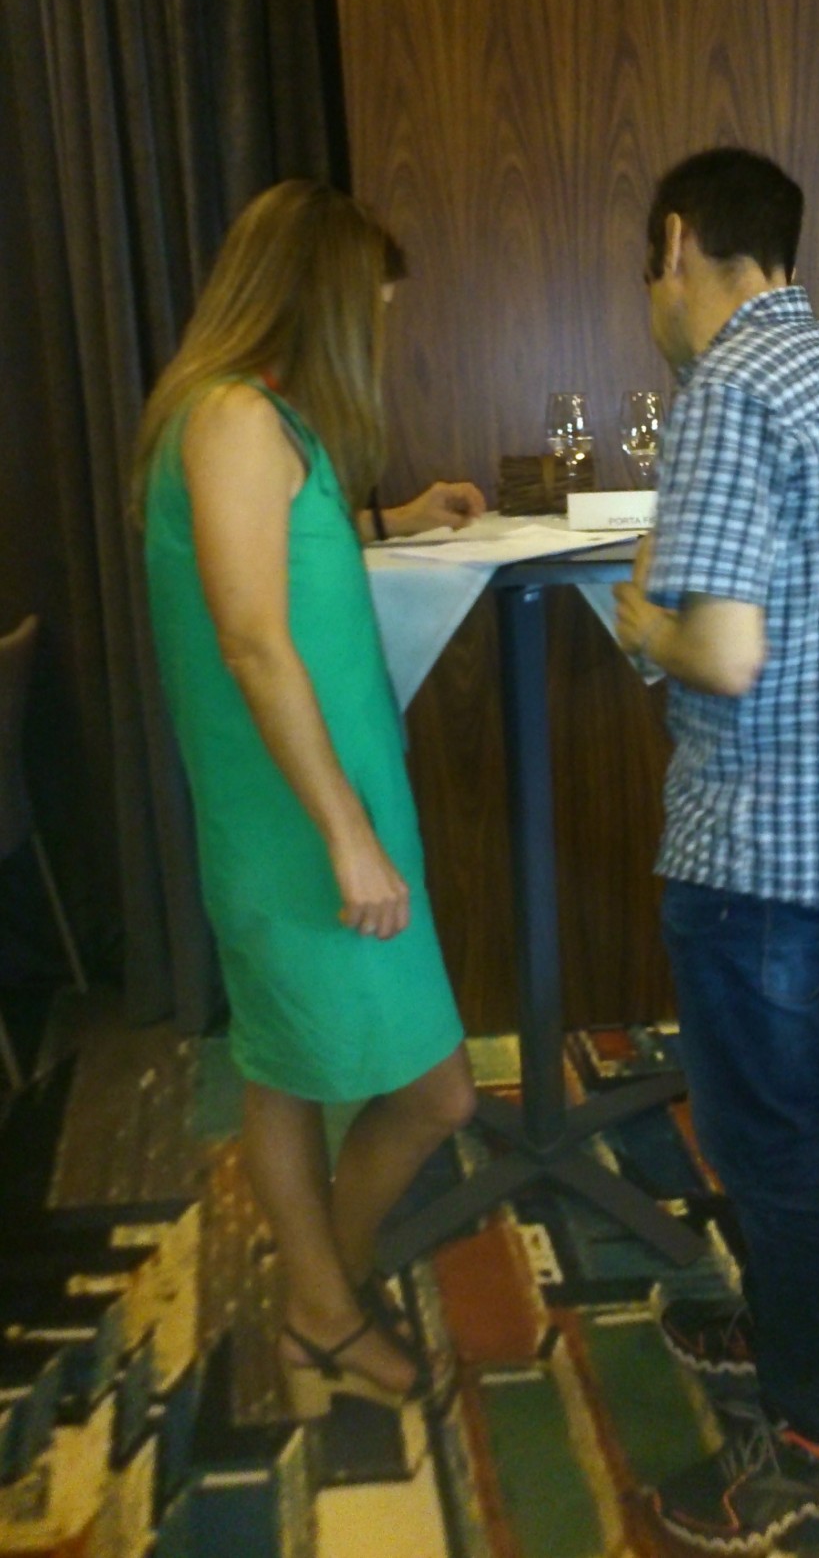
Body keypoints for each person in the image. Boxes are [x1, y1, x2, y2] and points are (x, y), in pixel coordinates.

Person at [132, 180, 482, 1415]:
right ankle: (325, 1294)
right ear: (322, 298)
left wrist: (392, 518)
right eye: (371, 307)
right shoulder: (233, 416)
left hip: (314, 806)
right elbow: (250, 637)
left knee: (280, 1066)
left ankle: (316, 1298)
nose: (376, 330)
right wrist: (346, 836)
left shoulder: (261, 416)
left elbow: (282, 558)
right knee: (437, 1091)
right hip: (300, 822)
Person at [615, 147, 819, 1552]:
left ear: (677, 241)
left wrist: (640, 624)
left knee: (766, 1134)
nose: (649, 301)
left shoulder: (728, 388)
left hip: (748, 843)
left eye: (647, 268)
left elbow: (723, 653)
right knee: (784, 1111)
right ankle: (795, 1326)